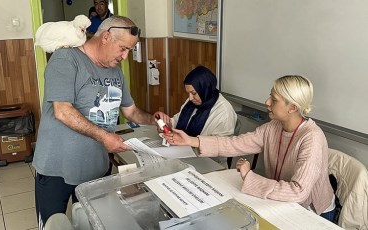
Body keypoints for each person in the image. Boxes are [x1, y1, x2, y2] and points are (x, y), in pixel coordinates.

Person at [32, 15, 169, 228]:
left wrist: (152, 119)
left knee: (92, 223)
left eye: (129, 51)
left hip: (96, 168)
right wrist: (105, 136)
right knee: (52, 224)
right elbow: (62, 111)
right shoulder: (66, 59)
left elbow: (131, 111)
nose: (125, 56)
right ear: (106, 37)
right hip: (57, 168)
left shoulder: (116, 72)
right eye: (123, 48)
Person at [165, 75, 336, 222]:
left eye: (274, 100)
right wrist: (191, 141)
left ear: (292, 107)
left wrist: (249, 177)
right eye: (270, 96)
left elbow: (298, 192)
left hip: (312, 211)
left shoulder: (311, 138)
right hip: (281, 202)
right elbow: (235, 143)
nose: (267, 102)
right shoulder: (273, 127)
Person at [170, 66, 237, 167]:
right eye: (188, 93)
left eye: (193, 93)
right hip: (185, 156)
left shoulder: (224, 112)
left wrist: (190, 142)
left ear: (205, 88)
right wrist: (166, 123)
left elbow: (220, 149)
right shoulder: (193, 101)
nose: (190, 98)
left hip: (210, 164)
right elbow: (177, 119)